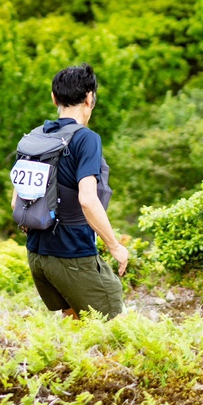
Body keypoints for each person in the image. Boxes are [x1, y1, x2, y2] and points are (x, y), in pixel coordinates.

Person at [18, 63, 128, 319]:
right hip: (72, 253)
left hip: (37, 254)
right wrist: (114, 246)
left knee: (75, 319)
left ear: (54, 98)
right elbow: (88, 200)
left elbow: (17, 198)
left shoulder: (34, 138)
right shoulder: (86, 138)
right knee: (113, 320)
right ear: (90, 98)